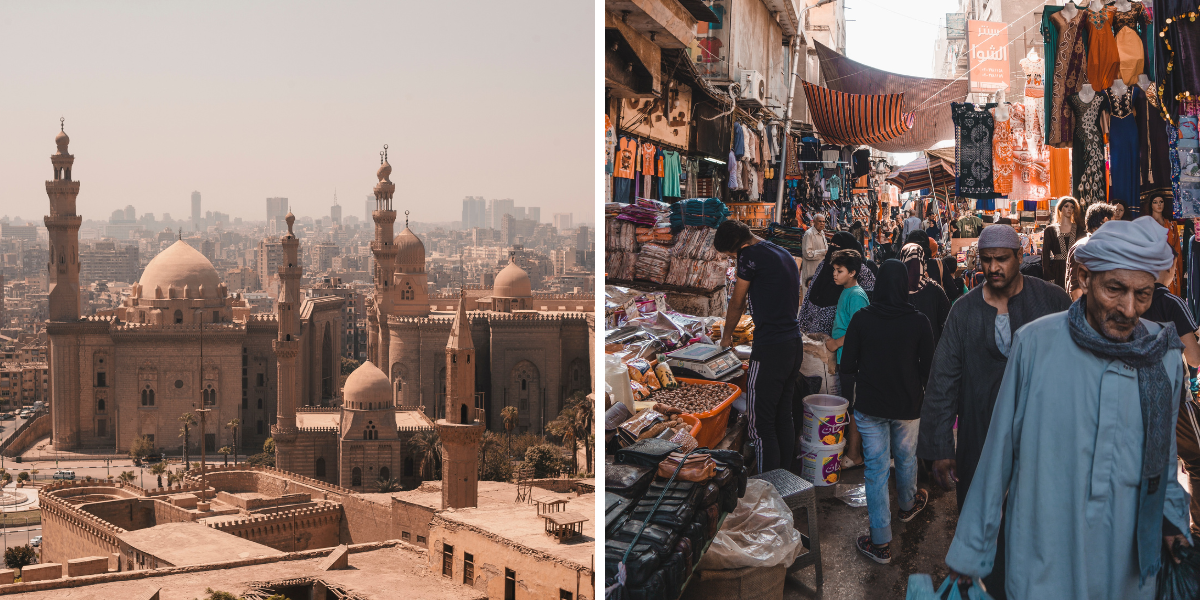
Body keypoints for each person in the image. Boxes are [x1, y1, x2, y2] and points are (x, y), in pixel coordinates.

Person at [945, 217, 1193, 599]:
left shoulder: (1163, 358)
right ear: (1084, 276)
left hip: (1125, 562)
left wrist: (1173, 522)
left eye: (1143, 294)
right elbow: (998, 454)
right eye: (1116, 289)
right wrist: (971, 549)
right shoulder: (1035, 345)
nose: (1129, 309)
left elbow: (1163, 459)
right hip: (1044, 554)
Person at [918, 225, 1071, 598]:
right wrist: (940, 446)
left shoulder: (1053, 301)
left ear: (1020, 257)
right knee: (985, 525)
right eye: (987, 260)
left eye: (1002, 259)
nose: (994, 267)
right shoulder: (964, 311)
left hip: (1043, 437)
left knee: (1043, 520)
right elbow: (943, 379)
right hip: (981, 435)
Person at [840, 260, 935, 565]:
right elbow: (928, 368)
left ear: (879, 284)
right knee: (906, 458)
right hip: (908, 406)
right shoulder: (919, 321)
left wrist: (856, 395)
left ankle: (880, 542)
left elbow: (848, 366)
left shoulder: (862, 319)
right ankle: (907, 505)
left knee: (876, 471)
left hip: (870, 407)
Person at [713, 219, 803, 474]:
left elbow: (738, 301)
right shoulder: (781, 252)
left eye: (730, 256)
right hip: (792, 343)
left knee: (760, 424)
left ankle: (768, 487)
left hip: (771, 348)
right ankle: (785, 478)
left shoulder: (748, 255)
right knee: (782, 415)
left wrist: (726, 337)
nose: (733, 261)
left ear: (736, 248)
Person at [1141, 264, 1200, 537]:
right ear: (1167, 269)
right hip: (1173, 398)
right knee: (1196, 459)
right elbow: (1194, 358)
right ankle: (1197, 529)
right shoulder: (1171, 302)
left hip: (1134, 395)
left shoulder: (1124, 297)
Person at [823, 249, 870, 469]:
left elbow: (859, 329)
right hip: (845, 358)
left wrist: (834, 343)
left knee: (853, 408)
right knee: (849, 405)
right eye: (834, 270)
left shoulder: (857, 295)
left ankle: (854, 454)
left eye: (839, 271)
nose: (835, 274)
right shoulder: (846, 291)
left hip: (853, 361)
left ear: (852, 272)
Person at [798, 232, 876, 336]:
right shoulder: (824, 264)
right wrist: (801, 322)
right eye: (832, 245)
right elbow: (810, 291)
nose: (834, 249)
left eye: (838, 247)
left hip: (839, 333)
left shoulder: (859, 270)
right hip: (814, 327)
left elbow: (868, 295)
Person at [900, 243, 951, 345]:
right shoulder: (935, 289)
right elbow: (946, 321)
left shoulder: (896, 290)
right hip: (931, 347)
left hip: (904, 350)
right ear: (922, 262)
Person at [1065, 202, 1116, 300]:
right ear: (1105, 221)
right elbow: (1077, 290)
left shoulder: (1094, 245)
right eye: (1113, 222)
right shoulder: (1084, 247)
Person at [1146, 195, 1183, 297]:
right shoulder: (1147, 225)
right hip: (1154, 265)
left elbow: (1177, 250)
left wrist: (1178, 268)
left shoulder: (1172, 225)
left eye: (1161, 201)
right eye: (1155, 202)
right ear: (1151, 205)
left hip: (1171, 265)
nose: (1159, 204)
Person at [1040, 197, 1079, 288]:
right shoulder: (1050, 230)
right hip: (1057, 271)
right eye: (1066, 206)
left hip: (1074, 269)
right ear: (1060, 208)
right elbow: (1045, 256)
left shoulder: (1079, 230)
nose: (1069, 209)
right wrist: (1048, 275)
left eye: (1072, 207)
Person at [801, 213, 828, 293]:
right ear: (814, 222)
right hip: (811, 271)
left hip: (820, 270)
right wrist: (823, 252)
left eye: (823, 221)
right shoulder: (809, 234)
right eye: (820, 221)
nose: (822, 223)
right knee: (809, 293)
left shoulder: (822, 233)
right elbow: (807, 254)